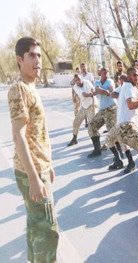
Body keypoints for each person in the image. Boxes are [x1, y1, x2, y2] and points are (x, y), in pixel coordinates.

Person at [8, 37, 59, 262]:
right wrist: (34, 177)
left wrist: (48, 165)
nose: (38, 60)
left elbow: (36, 134)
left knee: (35, 226)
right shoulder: (19, 88)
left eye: (39, 55)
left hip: (39, 168)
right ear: (20, 60)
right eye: (32, 55)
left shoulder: (31, 87)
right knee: (47, 232)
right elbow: (18, 136)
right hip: (32, 173)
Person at [105, 70, 138, 192]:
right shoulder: (128, 85)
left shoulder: (131, 88)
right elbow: (131, 104)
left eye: (137, 76)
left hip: (123, 127)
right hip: (126, 127)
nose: (137, 78)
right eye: (134, 75)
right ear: (128, 76)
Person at [87, 67, 120, 158]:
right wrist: (104, 91)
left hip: (111, 109)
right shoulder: (97, 82)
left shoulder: (110, 81)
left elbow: (111, 90)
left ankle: (118, 153)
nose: (106, 74)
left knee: (111, 131)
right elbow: (97, 89)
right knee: (92, 127)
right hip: (102, 110)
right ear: (100, 74)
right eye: (104, 72)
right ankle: (97, 149)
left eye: (107, 72)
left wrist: (103, 91)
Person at [67, 74, 98, 146]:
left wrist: (93, 92)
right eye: (76, 80)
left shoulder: (86, 82)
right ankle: (74, 138)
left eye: (79, 79)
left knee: (93, 125)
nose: (78, 81)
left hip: (92, 105)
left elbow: (92, 89)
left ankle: (97, 146)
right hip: (84, 107)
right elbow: (84, 94)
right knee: (75, 122)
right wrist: (90, 94)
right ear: (75, 81)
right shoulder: (75, 87)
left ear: (81, 78)